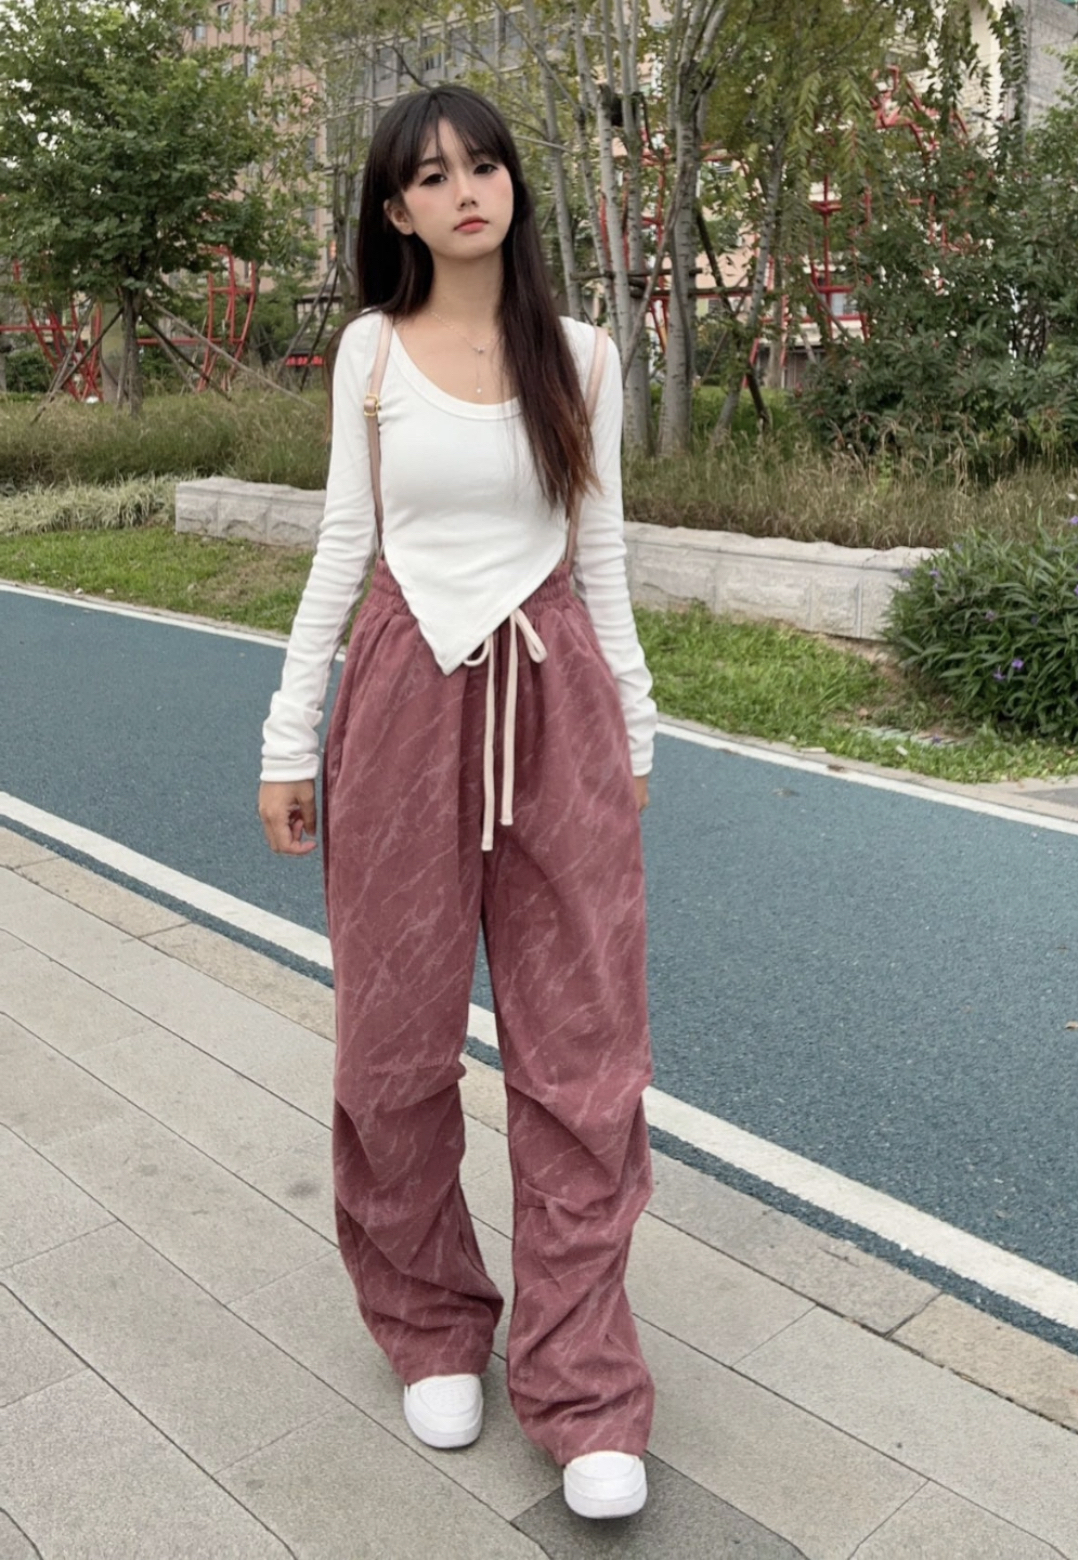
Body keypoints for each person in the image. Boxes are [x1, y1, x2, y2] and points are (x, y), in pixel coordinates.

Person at [257, 84, 658, 1521]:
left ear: (511, 188)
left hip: (555, 706)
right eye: (431, 176)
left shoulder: (584, 356)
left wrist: (635, 729)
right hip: (401, 703)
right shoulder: (369, 353)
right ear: (396, 210)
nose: (465, 189)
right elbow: (341, 544)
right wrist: (287, 738)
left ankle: (583, 1383)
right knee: (392, 1041)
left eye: (483, 165)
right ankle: (430, 1323)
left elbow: (602, 553)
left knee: (582, 1054)